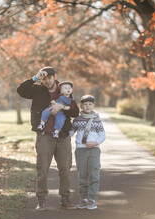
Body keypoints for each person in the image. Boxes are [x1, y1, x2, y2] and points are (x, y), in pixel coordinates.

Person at [16, 66, 79, 210]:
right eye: (43, 78)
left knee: (65, 168)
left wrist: (61, 107)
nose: (46, 80)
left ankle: (65, 199)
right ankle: (42, 200)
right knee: (42, 168)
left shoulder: (65, 89)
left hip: (62, 135)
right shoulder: (37, 89)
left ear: (55, 76)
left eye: (49, 77)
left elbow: (75, 111)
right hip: (44, 134)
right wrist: (35, 78)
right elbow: (20, 90)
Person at [69, 95, 106, 210]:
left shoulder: (97, 120)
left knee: (94, 173)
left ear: (93, 106)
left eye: (90, 104)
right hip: (80, 150)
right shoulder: (77, 120)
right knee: (82, 174)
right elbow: (70, 132)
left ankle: (92, 198)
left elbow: (103, 135)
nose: (88, 106)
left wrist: (96, 143)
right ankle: (83, 198)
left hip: (94, 150)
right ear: (81, 106)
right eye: (85, 104)